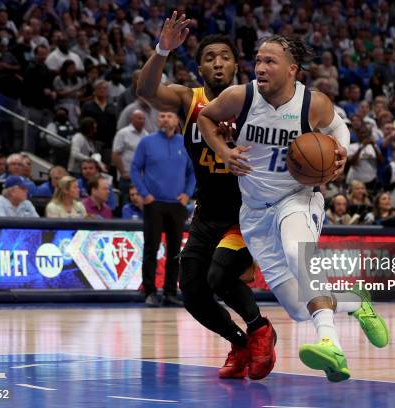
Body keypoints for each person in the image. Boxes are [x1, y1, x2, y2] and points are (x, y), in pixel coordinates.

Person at [199, 35, 389, 382]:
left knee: (296, 251)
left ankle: (329, 344)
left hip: (297, 198)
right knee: (299, 309)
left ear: (292, 69)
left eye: (270, 61)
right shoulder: (240, 96)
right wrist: (223, 151)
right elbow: (205, 119)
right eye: (257, 60)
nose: (260, 67)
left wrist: (341, 152)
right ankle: (355, 300)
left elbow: (338, 128)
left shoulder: (311, 103)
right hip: (255, 212)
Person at [137, 15, 276, 380]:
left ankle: (260, 329)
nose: (218, 62)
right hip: (207, 211)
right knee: (193, 291)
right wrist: (163, 48)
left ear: (236, 65)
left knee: (220, 275)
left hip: (248, 211)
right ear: (199, 67)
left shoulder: (255, 100)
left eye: (225, 57)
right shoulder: (189, 99)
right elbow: (146, 90)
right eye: (210, 57)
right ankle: (239, 341)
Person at [131, 111, 195, 308]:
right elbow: (134, 168)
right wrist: (144, 194)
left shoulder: (185, 143)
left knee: (176, 251)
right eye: (161, 116)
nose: (164, 119)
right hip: (154, 203)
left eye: (169, 116)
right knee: (151, 248)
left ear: (177, 120)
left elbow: (193, 172)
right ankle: (149, 292)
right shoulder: (147, 142)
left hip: (177, 204)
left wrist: (187, 193)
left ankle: (170, 292)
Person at [112, 109, 147, 198]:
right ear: (132, 119)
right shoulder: (123, 133)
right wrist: (123, 173)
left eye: (143, 119)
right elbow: (115, 154)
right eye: (139, 118)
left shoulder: (146, 134)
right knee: (126, 202)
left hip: (142, 178)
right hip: (127, 177)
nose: (142, 121)